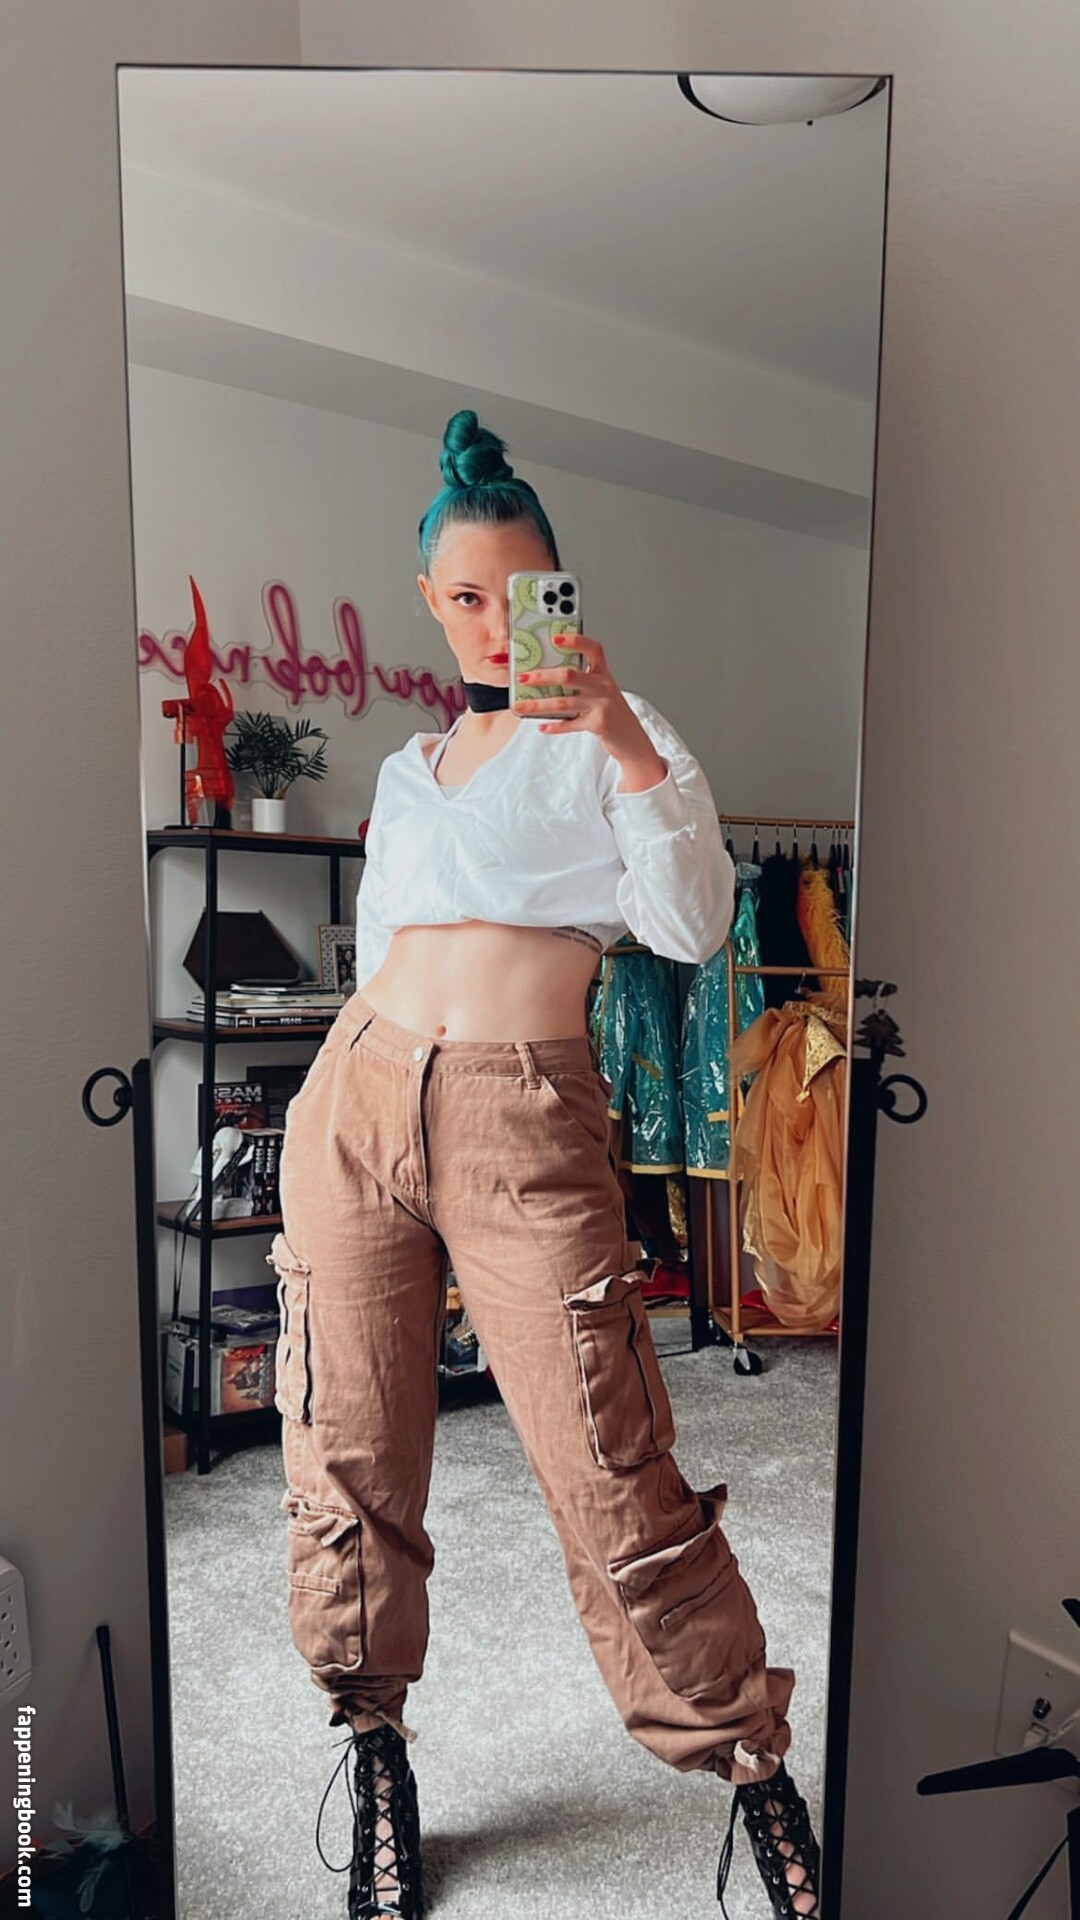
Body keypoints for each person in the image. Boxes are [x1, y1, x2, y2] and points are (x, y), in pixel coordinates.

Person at [269, 409, 821, 1918]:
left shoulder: (624, 737)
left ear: (557, 591)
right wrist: (351, 1080)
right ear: (431, 603)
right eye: (462, 596)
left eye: (519, 592)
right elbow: (383, 948)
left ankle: (749, 1760)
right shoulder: (411, 768)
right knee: (343, 1444)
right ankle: (374, 1752)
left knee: (606, 1451)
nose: (490, 621)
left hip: (522, 1109)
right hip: (356, 1099)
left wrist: (622, 736)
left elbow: (692, 923)